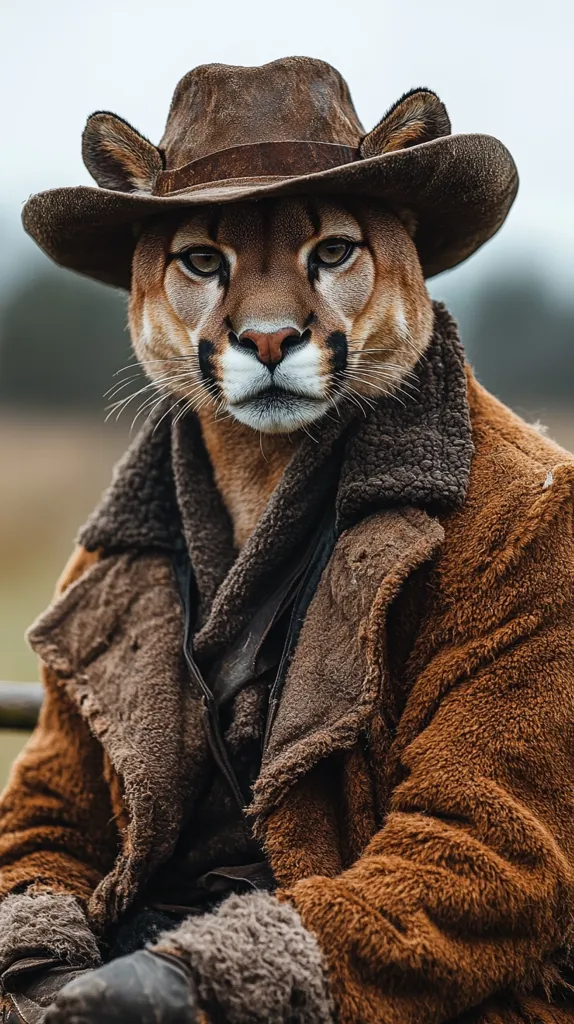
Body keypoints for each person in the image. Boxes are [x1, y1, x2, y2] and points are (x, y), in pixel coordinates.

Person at [1, 56, 574, 1024]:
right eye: (202, 263)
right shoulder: (121, 554)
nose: (267, 324)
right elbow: (52, 818)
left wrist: (197, 988)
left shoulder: (526, 518)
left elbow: (489, 860)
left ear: (410, 274)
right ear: (142, 302)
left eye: (331, 254)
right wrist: (36, 954)